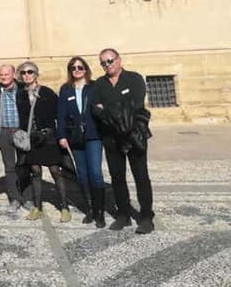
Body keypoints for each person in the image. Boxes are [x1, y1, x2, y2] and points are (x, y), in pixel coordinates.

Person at [91, 48, 154, 234]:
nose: (107, 65)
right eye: (103, 62)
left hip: (134, 135)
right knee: (117, 178)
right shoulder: (99, 84)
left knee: (141, 176)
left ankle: (146, 216)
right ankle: (124, 214)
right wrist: (116, 111)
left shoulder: (134, 79)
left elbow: (135, 106)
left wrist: (108, 110)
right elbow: (95, 109)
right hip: (111, 138)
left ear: (119, 60)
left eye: (110, 60)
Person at [15, 61, 70, 222]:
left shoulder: (47, 92)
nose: (27, 75)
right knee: (35, 171)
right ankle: (37, 207)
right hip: (32, 139)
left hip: (48, 137)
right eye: (23, 72)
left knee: (55, 170)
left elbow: (59, 114)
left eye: (30, 72)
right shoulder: (20, 95)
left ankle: (64, 207)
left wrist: (61, 134)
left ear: (36, 74)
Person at [57, 56, 106, 228]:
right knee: (82, 174)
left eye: (80, 67)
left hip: (93, 135)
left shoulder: (94, 86)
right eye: (73, 68)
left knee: (95, 173)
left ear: (86, 69)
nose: (77, 70)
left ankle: (100, 212)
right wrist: (61, 135)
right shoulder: (66, 89)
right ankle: (90, 209)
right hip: (75, 137)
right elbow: (61, 114)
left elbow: (102, 107)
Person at [0, 64, 26, 213]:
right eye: (1, 74)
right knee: (9, 167)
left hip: (20, 132)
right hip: (4, 132)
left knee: (24, 165)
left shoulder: (22, 89)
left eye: (6, 74)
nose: (3, 77)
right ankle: (14, 198)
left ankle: (27, 197)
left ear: (13, 74)